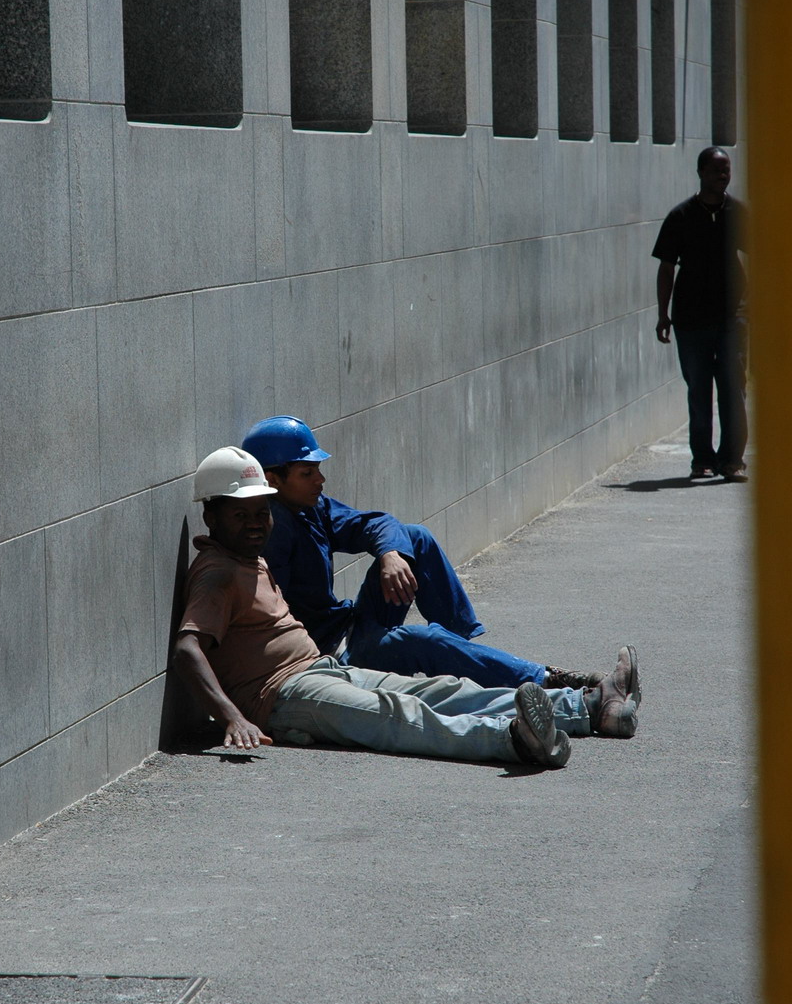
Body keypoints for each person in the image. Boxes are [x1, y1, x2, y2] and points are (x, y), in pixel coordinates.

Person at [172, 447, 642, 769]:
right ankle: (514, 739)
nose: (256, 524)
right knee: (397, 712)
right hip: (283, 697)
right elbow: (188, 649)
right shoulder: (218, 572)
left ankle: (588, 706)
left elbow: (375, 524)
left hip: (321, 668)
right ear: (211, 516)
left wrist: (389, 553)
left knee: (442, 690)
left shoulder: (254, 551)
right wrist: (232, 717)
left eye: (262, 512)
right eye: (240, 515)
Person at [240, 415, 601, 693]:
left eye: (318, 470)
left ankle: (462, 650)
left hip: (347, 625)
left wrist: (390, 553)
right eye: (307, 472)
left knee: (415, 538)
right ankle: (550, 681)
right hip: (334, 653)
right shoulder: (268, 532)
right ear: (272, 479)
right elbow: (272, 623)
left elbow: (375, 523)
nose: (320, 480)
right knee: (426, 641)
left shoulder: (309, 506)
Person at [653, 147, 748, 481]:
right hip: (691, 318)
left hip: (732, 315)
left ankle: (732, 460)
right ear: (701, 173)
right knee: (698, 389)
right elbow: (666, 268)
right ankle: (702, 460)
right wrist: (663, 314)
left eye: (727, 170)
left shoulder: (738, 213)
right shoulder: (681, 216)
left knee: (733, 387)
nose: (723, 176)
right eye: (716, 170)